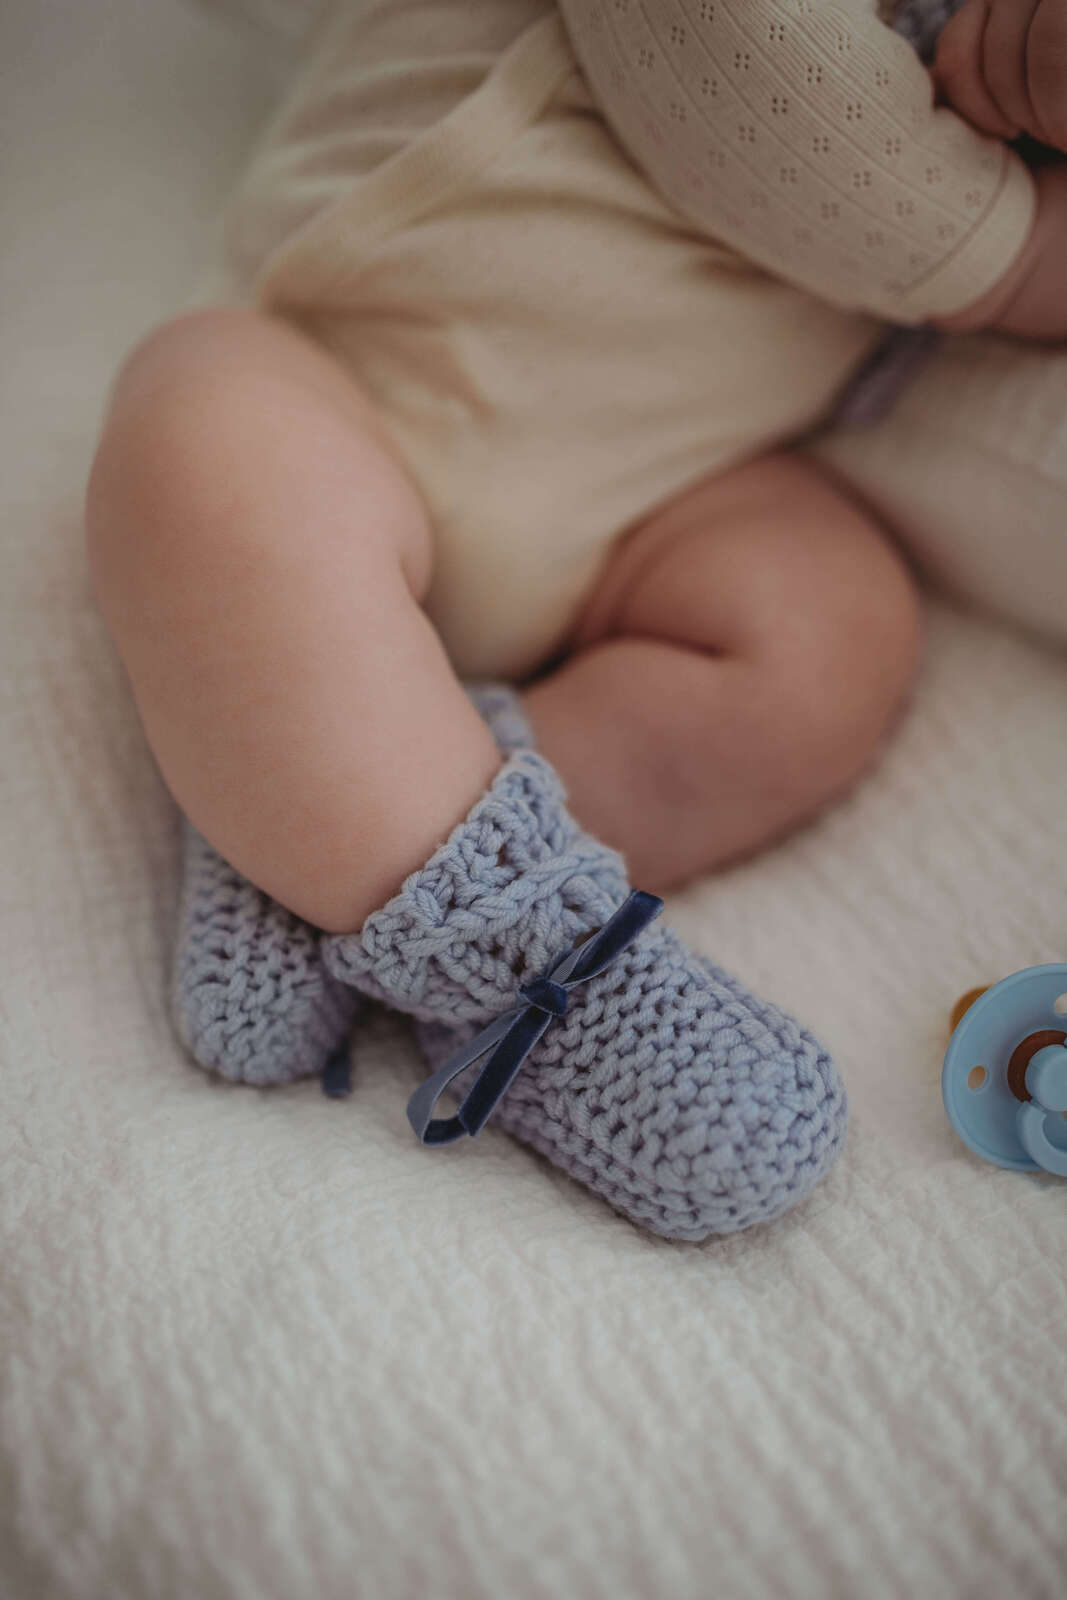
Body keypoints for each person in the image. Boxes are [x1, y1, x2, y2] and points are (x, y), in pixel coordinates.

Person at [84, 0, 1067, 1241]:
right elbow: (781, 119)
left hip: (658, 495)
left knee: (826, 637)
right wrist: (1023, 248)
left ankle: (315, 828)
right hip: (351, 379)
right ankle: (519, 954)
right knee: (200, 439)